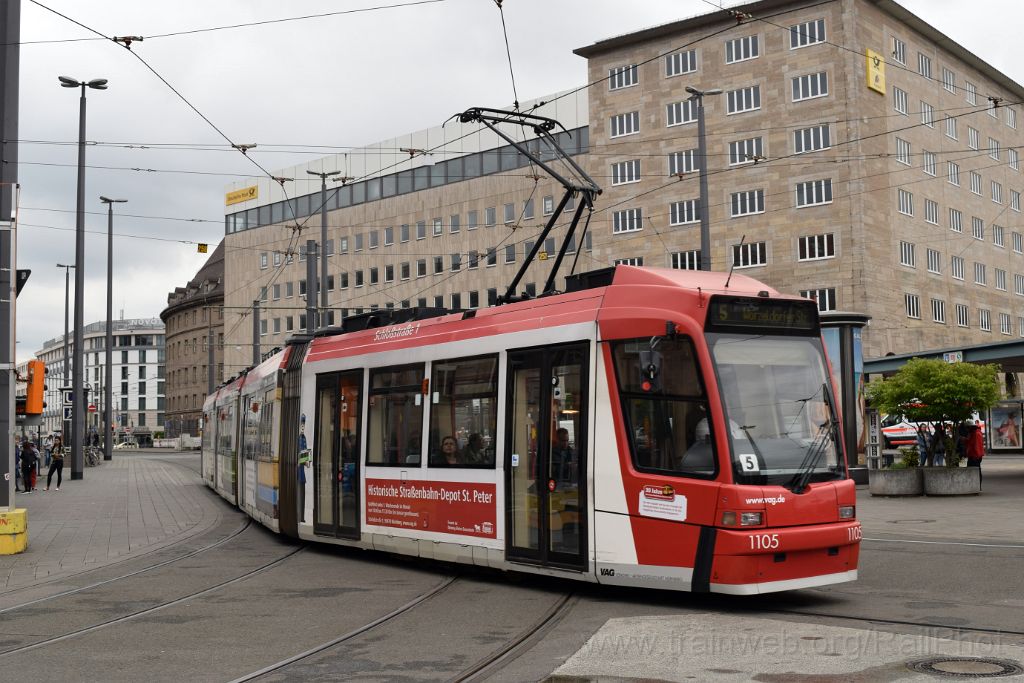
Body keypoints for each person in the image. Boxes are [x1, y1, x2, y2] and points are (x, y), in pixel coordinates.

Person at [965, 419, 985, 486]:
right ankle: (975, 485)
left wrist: (976, 456)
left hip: (975, 456)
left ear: (970, 427)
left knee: (976, 471)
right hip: (973, 455)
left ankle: (977, 485)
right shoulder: (973, 433)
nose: (967, 430)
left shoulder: (976, 434)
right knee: (973, 470)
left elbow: (977, 446)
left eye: (967, 428)